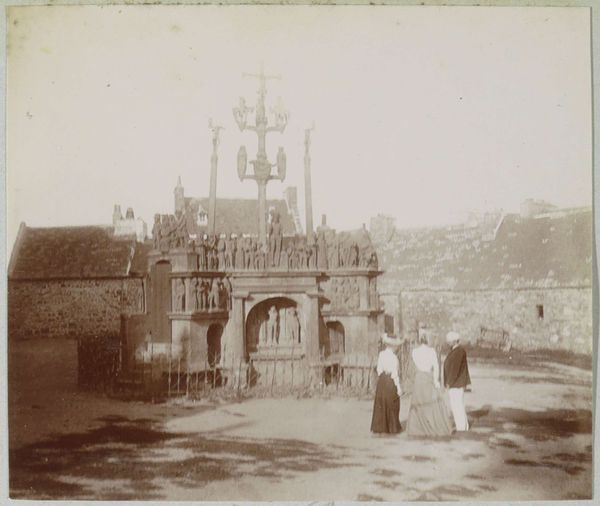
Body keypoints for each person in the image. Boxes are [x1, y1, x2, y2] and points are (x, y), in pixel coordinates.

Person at [406, 334, 453, 436]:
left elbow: (411, 368)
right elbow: (436, 367)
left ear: (419, 341)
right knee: (431, 402)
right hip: (428, 377)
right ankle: (433, 426)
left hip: (419, 378)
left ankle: (418, 428)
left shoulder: (414, 351)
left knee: (419, 402)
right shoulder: (431, 351)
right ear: (427, 341)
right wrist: (436, 381)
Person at [371, 333, 403, 434]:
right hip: (390, 381)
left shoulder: (381, 354)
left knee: (381, 402)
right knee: (393, 403)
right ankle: (392, 427)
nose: (397, 348)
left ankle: (381, 427)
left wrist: (382, 377)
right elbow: (395, 374)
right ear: (393, 346)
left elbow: (379, 369)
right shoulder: (394, 357)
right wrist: (399, 388)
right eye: (396, 346)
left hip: (382, 381)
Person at [443, 331, 471, 431]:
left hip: (456, 383)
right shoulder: (457, 350)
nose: (448, 343)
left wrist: (449, 383)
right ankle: (463, 426)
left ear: (455, 341)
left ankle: (461, 427)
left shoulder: (458, 351)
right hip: (456, 383)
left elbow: (455, 369)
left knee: (457, 405)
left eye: (450, 341)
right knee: (458, 404)